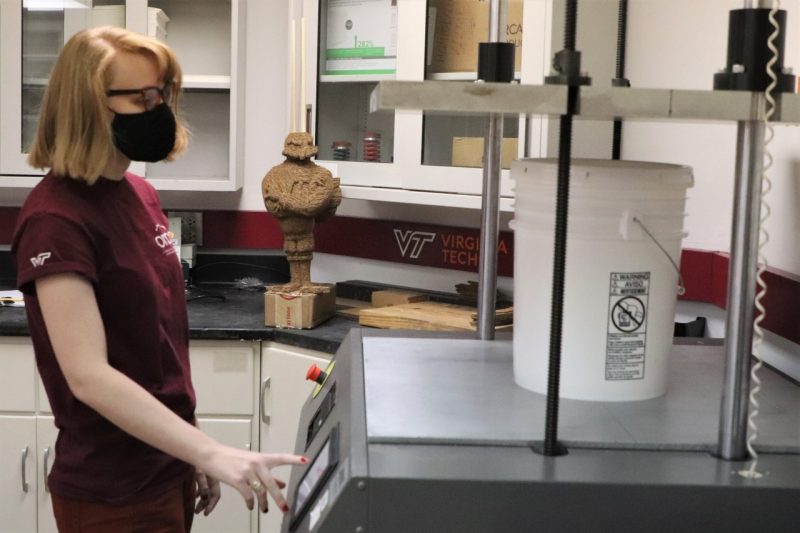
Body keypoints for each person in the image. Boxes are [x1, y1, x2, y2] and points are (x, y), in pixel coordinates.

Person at [11, 26, 305, 532]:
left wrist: (185, 449)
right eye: (143, 97)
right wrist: (212, 452)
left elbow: (156, 348)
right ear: (89, 104)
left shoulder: (139, 194)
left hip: (164, 470)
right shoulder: (56, 218)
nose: (160, 109)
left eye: (164, 94)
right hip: (111, 492)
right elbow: (89, 376)